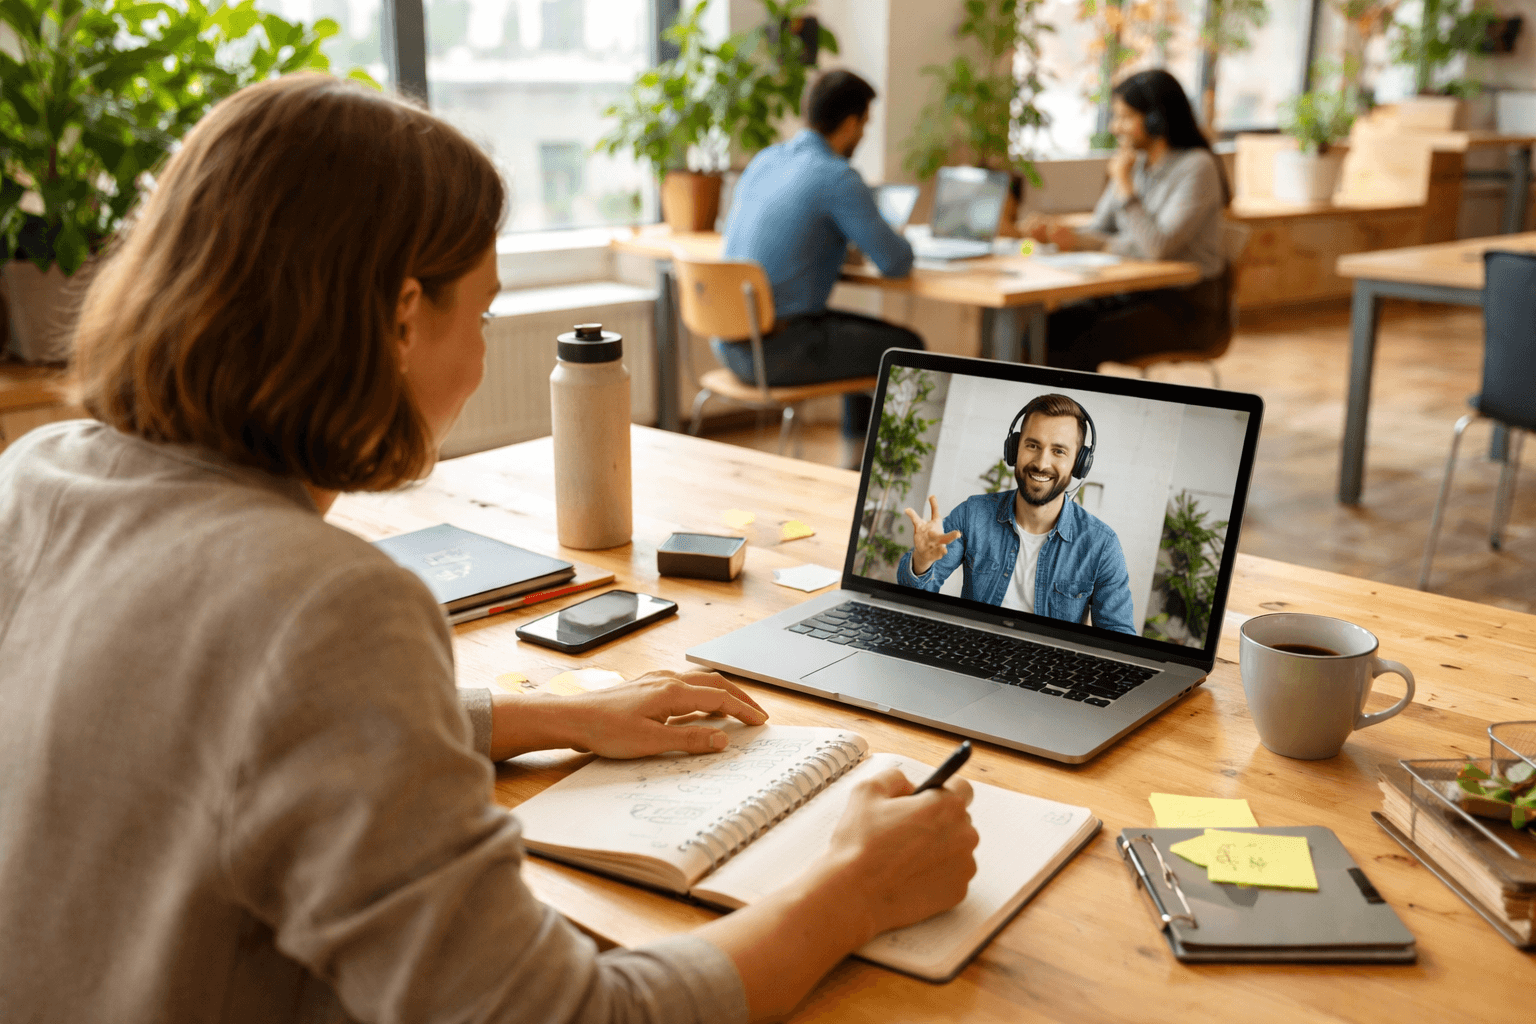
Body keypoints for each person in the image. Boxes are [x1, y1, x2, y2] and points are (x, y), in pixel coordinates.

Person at [0, 75, 979, 1024]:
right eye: (484, 312)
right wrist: (852, 888)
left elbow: (231, 725)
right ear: (398, 318)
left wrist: (544, 711)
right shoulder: (325, 605)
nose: (481, 350)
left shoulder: (38, 475)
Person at [720, 69, 922, 448]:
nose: (862, 135)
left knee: (861, 338)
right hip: (774, 353)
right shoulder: (837, 177)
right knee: (905, 347)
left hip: (728, 342)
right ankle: (877, 468)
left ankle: (854, 455)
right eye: (864, 124)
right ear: (850, 123)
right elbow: (896, 263)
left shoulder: (765, 161)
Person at [1025, 69, 1233, 373]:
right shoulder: (1135, 163)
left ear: (1155, 120)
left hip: (1186, 308)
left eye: (1124, 117)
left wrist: (1123, 186)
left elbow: (1157, 247)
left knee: (1081, 341)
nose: (1114, 126)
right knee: (1045, 328)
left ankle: (1080, 415)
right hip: (1136, 296)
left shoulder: (1197, 167)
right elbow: (1101, 229)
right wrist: (1067, 236)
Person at [895, 394, 1136, 635]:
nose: (1042, 463)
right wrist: (922, 561)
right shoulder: (973, 514)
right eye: (1033, 446)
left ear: (1079, 463)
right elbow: (913, 599)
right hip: (975, 654)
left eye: (1058, 451)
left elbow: (1120, 640)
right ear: (1014, 449)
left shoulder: (1102, 545)